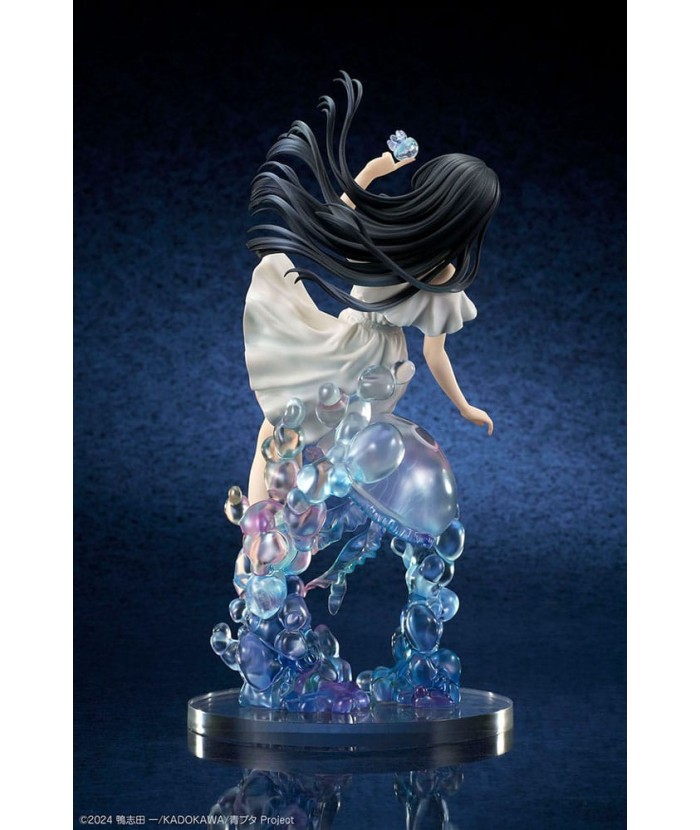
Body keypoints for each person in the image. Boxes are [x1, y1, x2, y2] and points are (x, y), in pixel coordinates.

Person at [243, 72, 500, 503]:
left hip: (350, 350)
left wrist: (371, 173)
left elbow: (335, 217)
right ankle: (281, 525)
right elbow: (434, 354)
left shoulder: (394, 241)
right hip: (385, 366)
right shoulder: (440, 274)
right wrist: (463, 406)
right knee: (316, 444)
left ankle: (258, 532)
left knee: (277, 432)